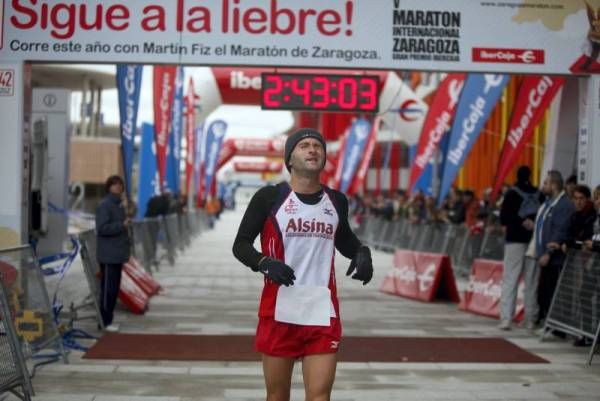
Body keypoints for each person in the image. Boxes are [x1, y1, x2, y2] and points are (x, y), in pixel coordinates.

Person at [232, 128, 373, 401]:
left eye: (318, 146)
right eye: (304, 145)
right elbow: (241, 244)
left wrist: (362, 252)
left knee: (320, 396)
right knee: (277, 396)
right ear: (290, 159)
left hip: (322, 310)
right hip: (279, 309)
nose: (312, 150)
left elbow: (345, 241)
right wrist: (263, 262)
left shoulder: (336, 201)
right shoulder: (269, 198)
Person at [498, 166, 544, 330]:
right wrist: (532, 223)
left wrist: (519, 222)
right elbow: (543, 216)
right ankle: (530, 319)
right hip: (534, 241)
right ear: (530, 176)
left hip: (514, 241)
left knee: (511, 279)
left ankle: (506, 319)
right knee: (532, 280)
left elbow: (503, 218)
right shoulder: (539, 194)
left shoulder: (511, 193)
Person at [527, 170, 574, 327]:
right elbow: (544, 227)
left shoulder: (564, 205)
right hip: (544, 256)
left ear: (553, 185)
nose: (543, 186)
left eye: (546, 183)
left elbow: (560, 230)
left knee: (551, 293)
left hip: (554, 258)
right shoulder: (548, 203)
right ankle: (546, 321)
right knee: (543, 293)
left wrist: (548, 253)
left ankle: (554, 327)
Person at [95, 175, 131, 332]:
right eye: (114, 185)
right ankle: (104, 321)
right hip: (108, 255)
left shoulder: (119, 205)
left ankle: (108, 320)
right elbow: (102, 228)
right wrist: (121, 225)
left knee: (114, 289)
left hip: (117, 254)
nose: (118, 187)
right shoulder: (105, 205)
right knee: (108, 290)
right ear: (108, 187)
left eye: (120, 185)